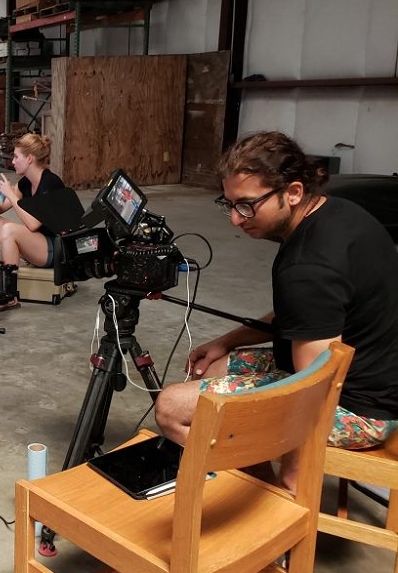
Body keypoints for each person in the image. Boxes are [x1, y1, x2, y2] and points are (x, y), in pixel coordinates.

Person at [154, 131, 398, 491]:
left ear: (293, 192)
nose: (236, 219)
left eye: (248, 205)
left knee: (171, 407)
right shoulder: (336, 211)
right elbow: (304, 316)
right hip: (371, 373)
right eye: (230, 203)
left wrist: (292, 479)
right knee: (209, 367)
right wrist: (228, 341)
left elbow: (315, 388)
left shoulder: (308, 268)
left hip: (358, 408)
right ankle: (248, 470)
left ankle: (263, 499)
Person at [0, 133, 65, 311]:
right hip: (37, 243)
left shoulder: (50, 182)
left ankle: (9, 296)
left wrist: (11, 194)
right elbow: (3, 206)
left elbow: (33, 224)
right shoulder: (25, 183)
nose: (13, 161)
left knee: (9, 230)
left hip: (53, 249)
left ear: (29, 159)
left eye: (16, 156)